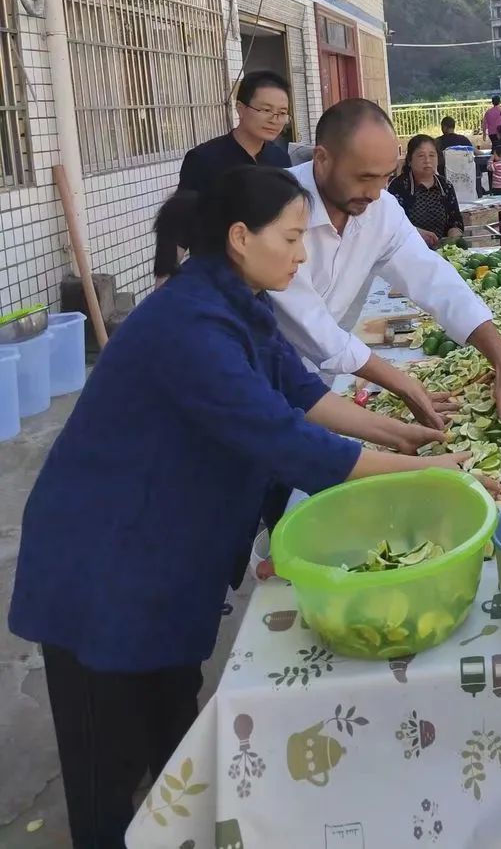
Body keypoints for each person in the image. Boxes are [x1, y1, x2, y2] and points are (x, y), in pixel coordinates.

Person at [8, 167, 465, 849]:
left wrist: (405, 432)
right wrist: (434, 478)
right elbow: (288, 439)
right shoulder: (190, 326)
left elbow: (300, 392)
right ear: (240, 236)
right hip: (102, 557)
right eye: (290, 237)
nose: (302, 253)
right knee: (107, 759)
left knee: (169, 723)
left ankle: (172, 829)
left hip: (160, 544)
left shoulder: (237, 297)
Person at [271, 99, 501, 425]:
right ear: (322, 158)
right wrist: (405, 386)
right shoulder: (273, 207)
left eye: (385, 177)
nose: (375, 193)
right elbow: (311, 327)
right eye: (364, 177)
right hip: (259, 375)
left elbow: (435, 281)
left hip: (319, 385)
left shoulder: (381, 209)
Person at [155, 70, 292, 280]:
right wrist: (164, 279)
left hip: (265, 276)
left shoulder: (280, 161)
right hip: (215, 275)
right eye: (266, 110)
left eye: (282, 113)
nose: (275, 120)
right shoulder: (204, 158)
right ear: (240, 109)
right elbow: (180, 222)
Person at [388, 134, 465, 248]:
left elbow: (456, 221)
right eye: (421, 156)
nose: (427, 160)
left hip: (441, 253)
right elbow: (392, 224)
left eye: (432, 155)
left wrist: (452, 238)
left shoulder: (445, 186)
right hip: (408, 252)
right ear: (410, 160)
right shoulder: (399, 186)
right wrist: (416, 233)